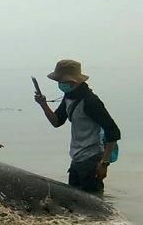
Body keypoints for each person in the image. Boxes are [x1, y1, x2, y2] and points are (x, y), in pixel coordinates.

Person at [34, 60, 120, 193]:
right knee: (75, 204)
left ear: (74, 81)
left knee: (93, 204)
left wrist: (104, 163)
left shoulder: (90, 101)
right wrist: (43, 104)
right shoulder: (69, 97)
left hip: (92, 159)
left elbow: (113, 131)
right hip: (77, 158)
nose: (60, 84)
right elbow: (56, 122)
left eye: (62, 81)